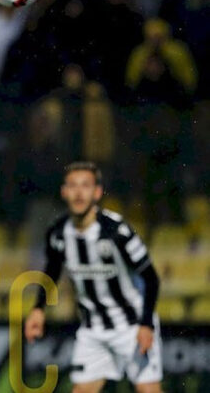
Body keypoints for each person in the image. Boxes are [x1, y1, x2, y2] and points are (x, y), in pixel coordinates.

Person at [25, 162, 162, 393]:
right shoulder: (58, 233)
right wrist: (38, 308)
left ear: (97, 192)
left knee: (148, 390)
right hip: (93, 330)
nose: (79, 193)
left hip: (132, 327)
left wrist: (146, 324)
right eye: (73, 186)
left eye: (85, 186)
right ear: (64, 192)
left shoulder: (117, 231)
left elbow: (151, 278)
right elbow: (52, 270)